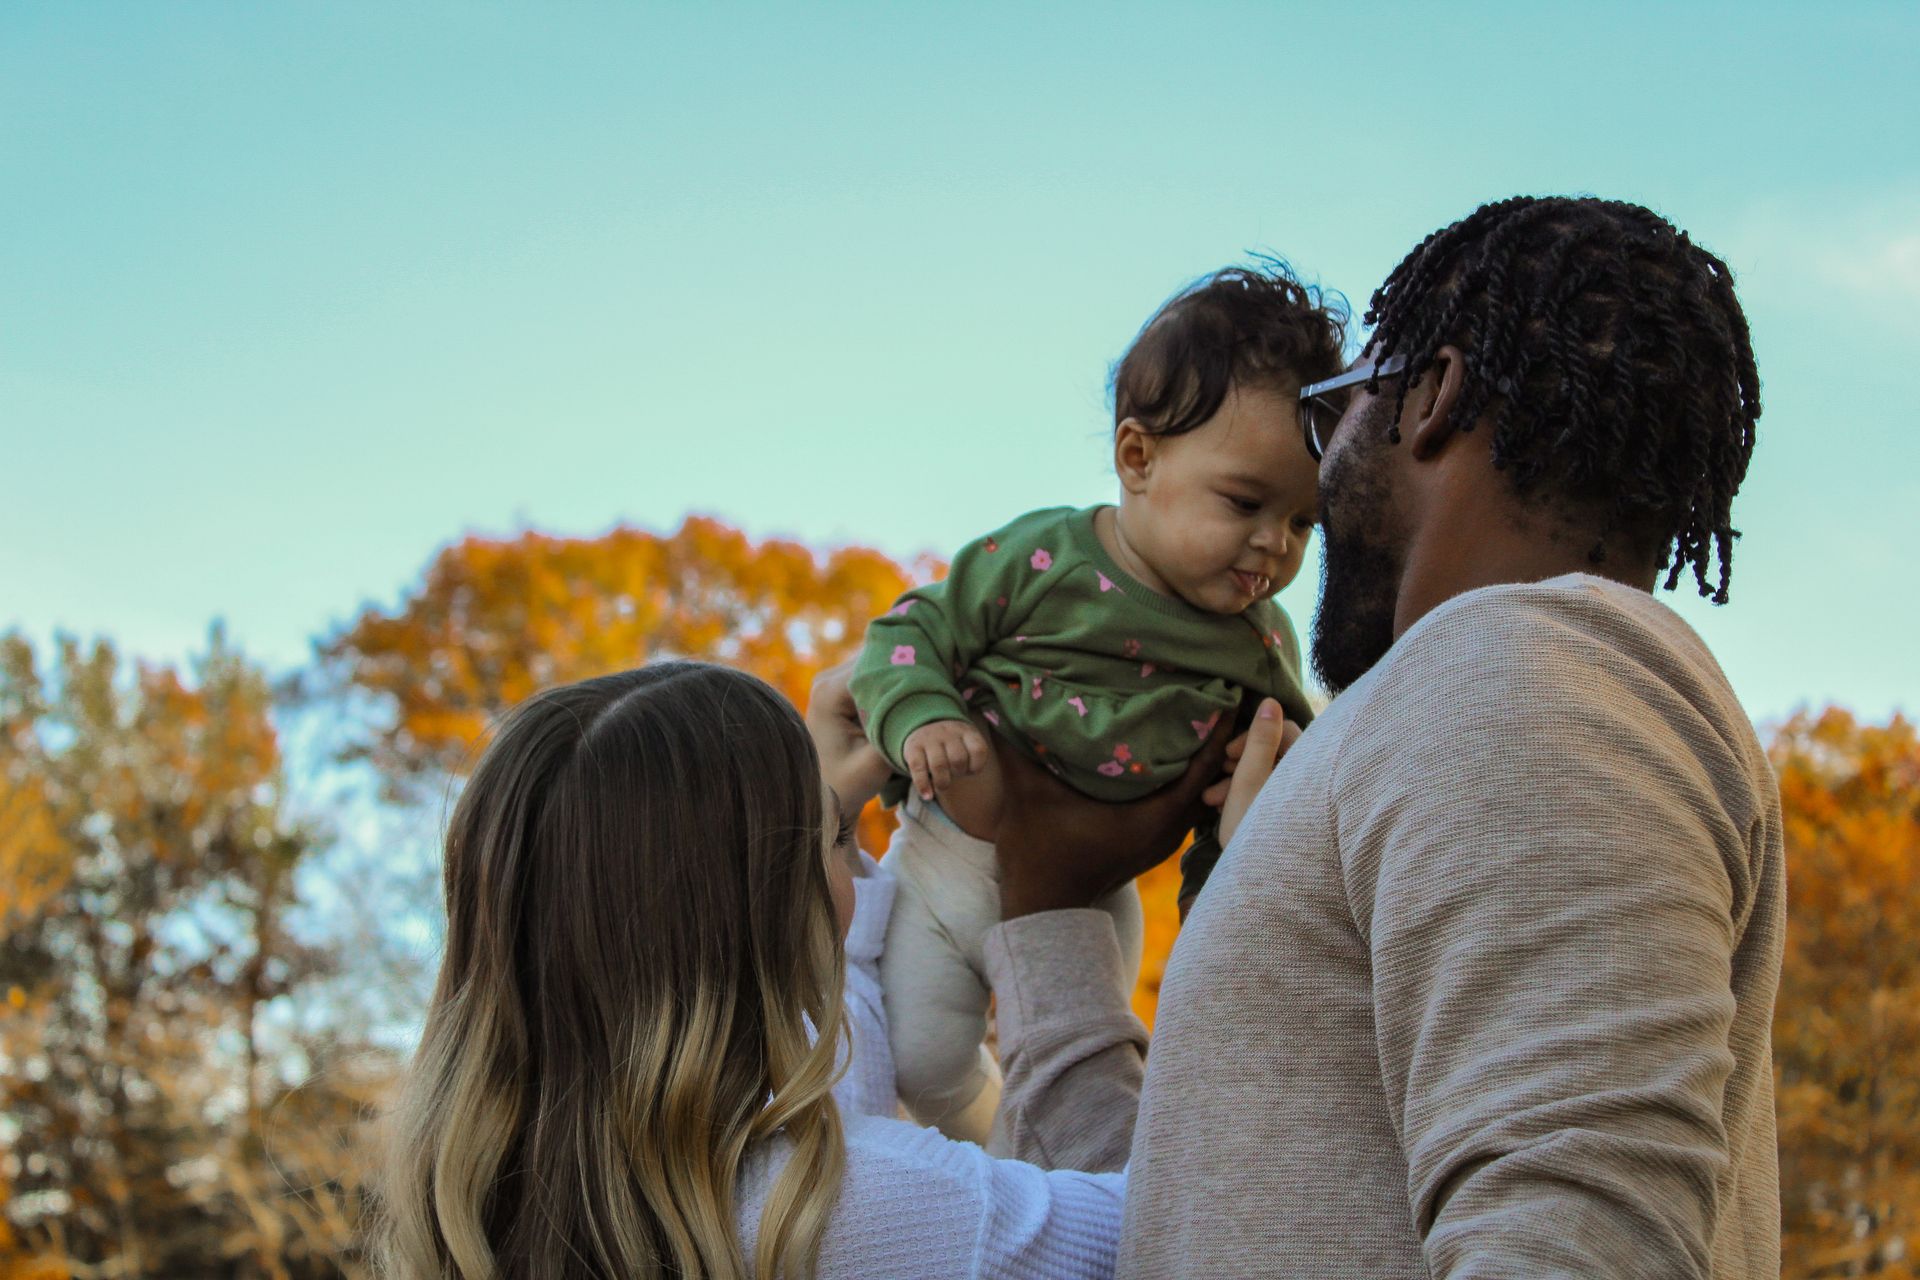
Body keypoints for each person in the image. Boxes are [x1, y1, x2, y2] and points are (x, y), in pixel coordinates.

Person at [825, 196, 1784, 1277]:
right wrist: (1051, 900)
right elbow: (1167, 1209)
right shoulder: (1456, 710)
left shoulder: (1527, 678)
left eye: (1335, 409)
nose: (1300, 510)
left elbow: (1581, 1236)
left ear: (1429, 397)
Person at [372, 658, 1243, 1280]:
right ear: (776, 908)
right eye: (833, 840)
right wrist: (1249, 907)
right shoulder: (873, 1209)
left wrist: (827, 815)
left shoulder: (492, 1194)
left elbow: (833, 1039)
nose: (851, 858)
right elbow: (1179, 1225)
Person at [847, 264, 1340, 1139]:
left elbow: (1273, 798)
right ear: (1137, 458)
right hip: (943, 864)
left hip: (1097, 896)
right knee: (920, 1067)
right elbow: (907, 634)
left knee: (1089, 1067)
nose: (1275, 544)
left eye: (1304, 523)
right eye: (1246, 502)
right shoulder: (1043, 558)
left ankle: (1025, 1182)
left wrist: (1220, 893)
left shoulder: (1259, 644)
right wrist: (923, 715)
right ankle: (980, 1147)